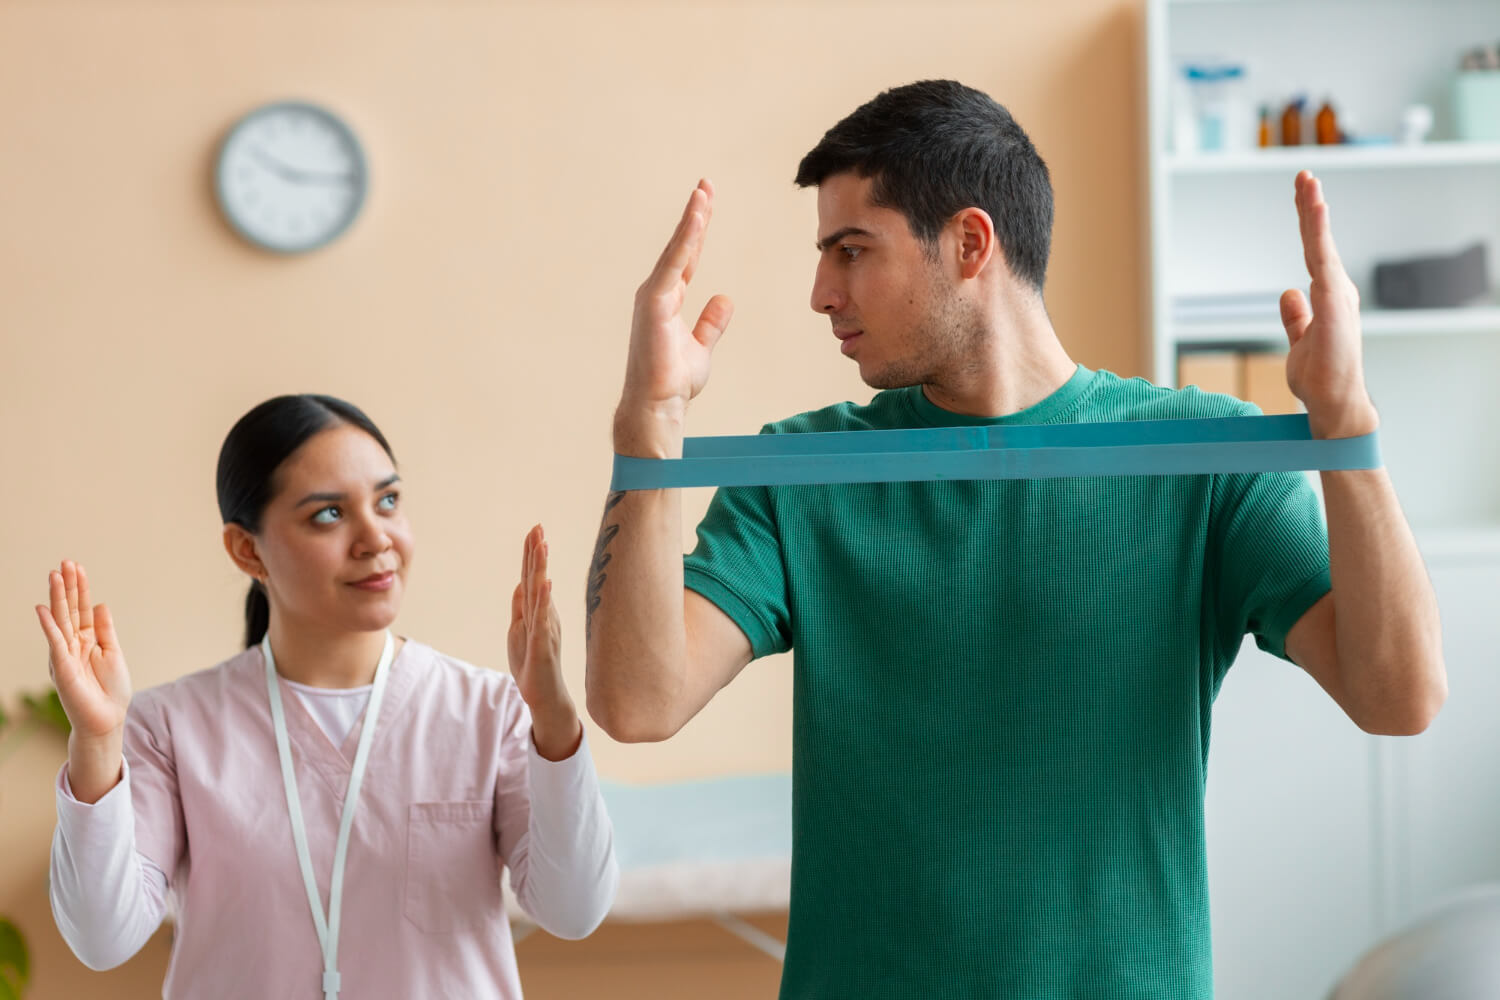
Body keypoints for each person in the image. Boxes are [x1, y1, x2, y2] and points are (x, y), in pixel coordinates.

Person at [583, 79, 1446, 998]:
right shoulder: (806, 472)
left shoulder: (1199, 461)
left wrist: (1348, 431)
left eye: (851, 249)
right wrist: (646, 435)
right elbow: (640, 701)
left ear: (970, 243)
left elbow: (1400, 695)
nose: (820, 292)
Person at [40, 394, 617, 999]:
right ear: (247, 549)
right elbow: (102, 939)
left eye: (388, 501)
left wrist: (553, 721)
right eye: (328, 515)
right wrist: (99, 741)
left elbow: (574, 911)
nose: (376, 538)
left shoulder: (490, 711)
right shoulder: (171, 727)